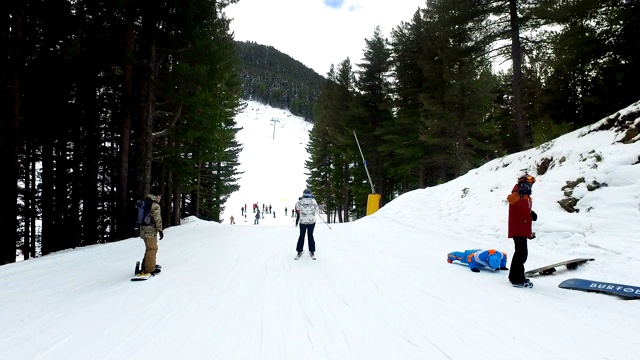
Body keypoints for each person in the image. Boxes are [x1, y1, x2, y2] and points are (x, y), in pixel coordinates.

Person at [507, 171, 538, 288]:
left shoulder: (527, 196)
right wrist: (519, 193)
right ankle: (517, 279)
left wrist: (531, 213)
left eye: (531, 185)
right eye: (528, 184)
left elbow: (523, 211)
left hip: (522, 228)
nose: (530, 186)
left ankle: (514, 276)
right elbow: (511, 199)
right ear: (522, 184)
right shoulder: (517, 193)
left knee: (520, 254)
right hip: (518, 228)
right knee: (521, 254)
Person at [140, 185, 163, 275]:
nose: (160, 197)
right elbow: (157, 219)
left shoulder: (145, 201)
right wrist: (160, 230)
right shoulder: (155, 205)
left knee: (149, 248)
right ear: (157, 195)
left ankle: (146, 265)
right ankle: (149, 268)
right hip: (150, 230)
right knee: (153, 248)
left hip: (143, 229)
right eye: (160, 195)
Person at [295, 189, 318, 257]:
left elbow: (297, 208)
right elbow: (316, 209)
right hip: (311, 221)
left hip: (302, 222)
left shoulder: (299, 202)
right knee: (310, 235)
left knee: (302, 235)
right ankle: (312, 250)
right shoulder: (313, 201)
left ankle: (299, 250)